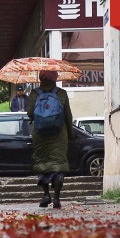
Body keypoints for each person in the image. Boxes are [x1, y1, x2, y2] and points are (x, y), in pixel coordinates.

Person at [27, 70, 74, 209]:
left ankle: (46, 195)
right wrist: (70, 134)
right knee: (58, 165)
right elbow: (68, 116)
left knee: (43, 164)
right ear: (55, 79)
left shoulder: (34, 94)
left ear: (41, 79)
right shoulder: (61, 93)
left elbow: (30, 114)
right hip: (59, 134)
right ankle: (57, 198)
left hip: (40, 134)